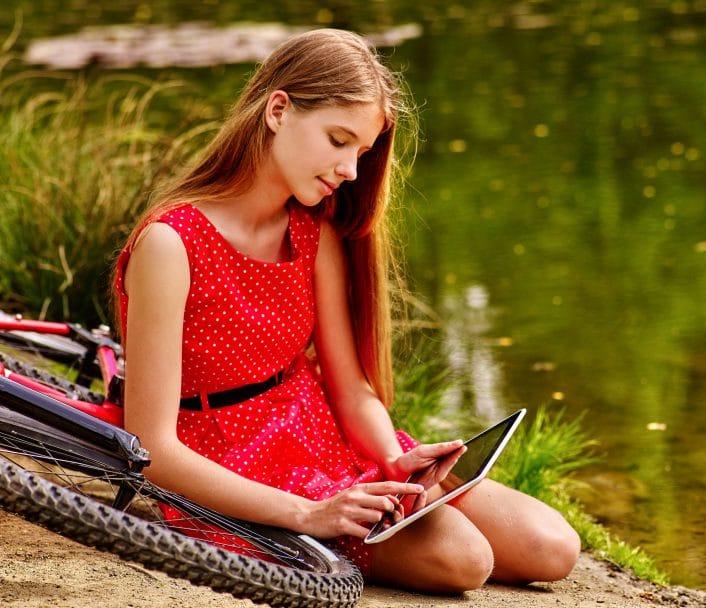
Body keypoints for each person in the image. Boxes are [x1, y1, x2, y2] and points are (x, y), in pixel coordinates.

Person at [113, 28, 579, 593]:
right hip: (228, 461)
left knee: (553, 546)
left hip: (319, 430)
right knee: (464, 560)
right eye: (338, 140)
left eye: (360, 152)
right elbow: (153, 449)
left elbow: (350, 388)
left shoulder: (314, 234)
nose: (351, 171)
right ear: (278, 110)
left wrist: (390, 457)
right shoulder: (171, 243)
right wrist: (308, 514)